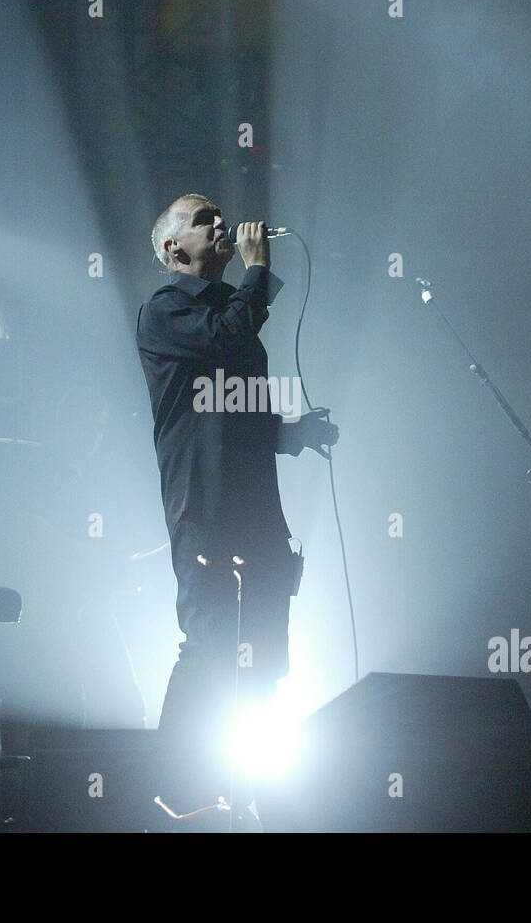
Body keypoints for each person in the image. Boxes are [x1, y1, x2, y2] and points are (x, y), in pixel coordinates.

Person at [136, 194, 337, 822]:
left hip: (257, 507)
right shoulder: (166, 312)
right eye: (202, 220)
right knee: (210, 643)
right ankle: (181, 792)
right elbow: (223, 340)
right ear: (174, 249)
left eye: (219, 215)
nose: (219, 224)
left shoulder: (233, 312)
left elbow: (238, 409)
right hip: (204, 506)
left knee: (266, 651)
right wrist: (256, 272)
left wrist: (292, 432)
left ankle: (252, 789)